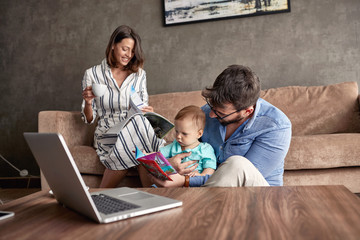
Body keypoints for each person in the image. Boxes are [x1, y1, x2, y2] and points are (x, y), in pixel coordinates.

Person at [150, 65, 292, 188]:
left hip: (258, 195)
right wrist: (169, 164)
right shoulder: (207, 112)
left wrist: (185, 181)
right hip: (209, 188)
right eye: (212, 105)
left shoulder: (277, 126)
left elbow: (236, 177)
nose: (211, 115)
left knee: (237, 164)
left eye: (220, 113)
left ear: (247, 111)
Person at [81, 25, 165, 188]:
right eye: (125, 49)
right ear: (113, 45)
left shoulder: (139, 74)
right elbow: (89, 120)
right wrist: (89, 103)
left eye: (132, 51)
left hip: (134, 127)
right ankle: (155, 195)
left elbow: (142, 105)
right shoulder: (92, 74)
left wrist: (148, 111)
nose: (129, 55)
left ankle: (101, 193)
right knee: (143, 146)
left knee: (139, 129)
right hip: (107, 132)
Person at [159, 105, 216, 177]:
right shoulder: (175, 145)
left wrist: (202, 175)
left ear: (199, 134)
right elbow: (159, 154)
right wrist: (147, 155)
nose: (178, 136)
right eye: (177, 131)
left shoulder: (205, 149)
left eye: (184, 134)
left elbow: (210, 168)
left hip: (194, 181)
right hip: (174, 180)